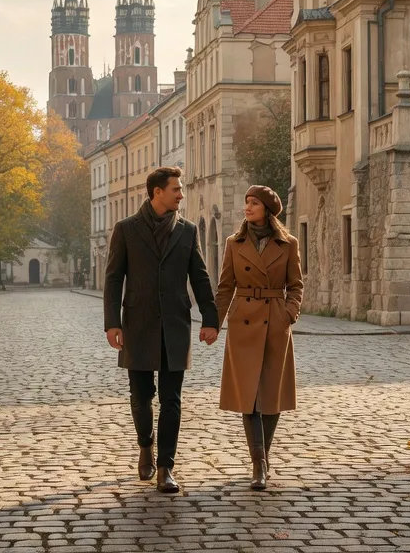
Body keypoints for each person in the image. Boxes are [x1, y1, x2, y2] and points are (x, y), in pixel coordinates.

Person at [103, 166, 219, 493]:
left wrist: (211, 318)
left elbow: (199, 276)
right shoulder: (126, 229)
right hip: (137, 323)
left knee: (172, 400)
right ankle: (145, 446)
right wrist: (112, 322)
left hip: (175, 324)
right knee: (141, 398)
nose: (182, 194)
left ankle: (166, 466)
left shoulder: (188, 230)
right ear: (157, 193)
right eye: (176, 189)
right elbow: (113, 278)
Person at [214, 185, 303, 491]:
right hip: (244, 324)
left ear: (267, 209)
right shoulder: (234, 243)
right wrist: (215, 322)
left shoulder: (288, 244)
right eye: (246, 202)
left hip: (275, 322)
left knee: (272, 395)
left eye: (253, 203)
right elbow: (225, 286)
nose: (247, 208)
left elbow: (296, 285)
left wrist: (288, 313)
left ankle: (263, 456)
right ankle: (259, 464)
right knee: (249, 397)